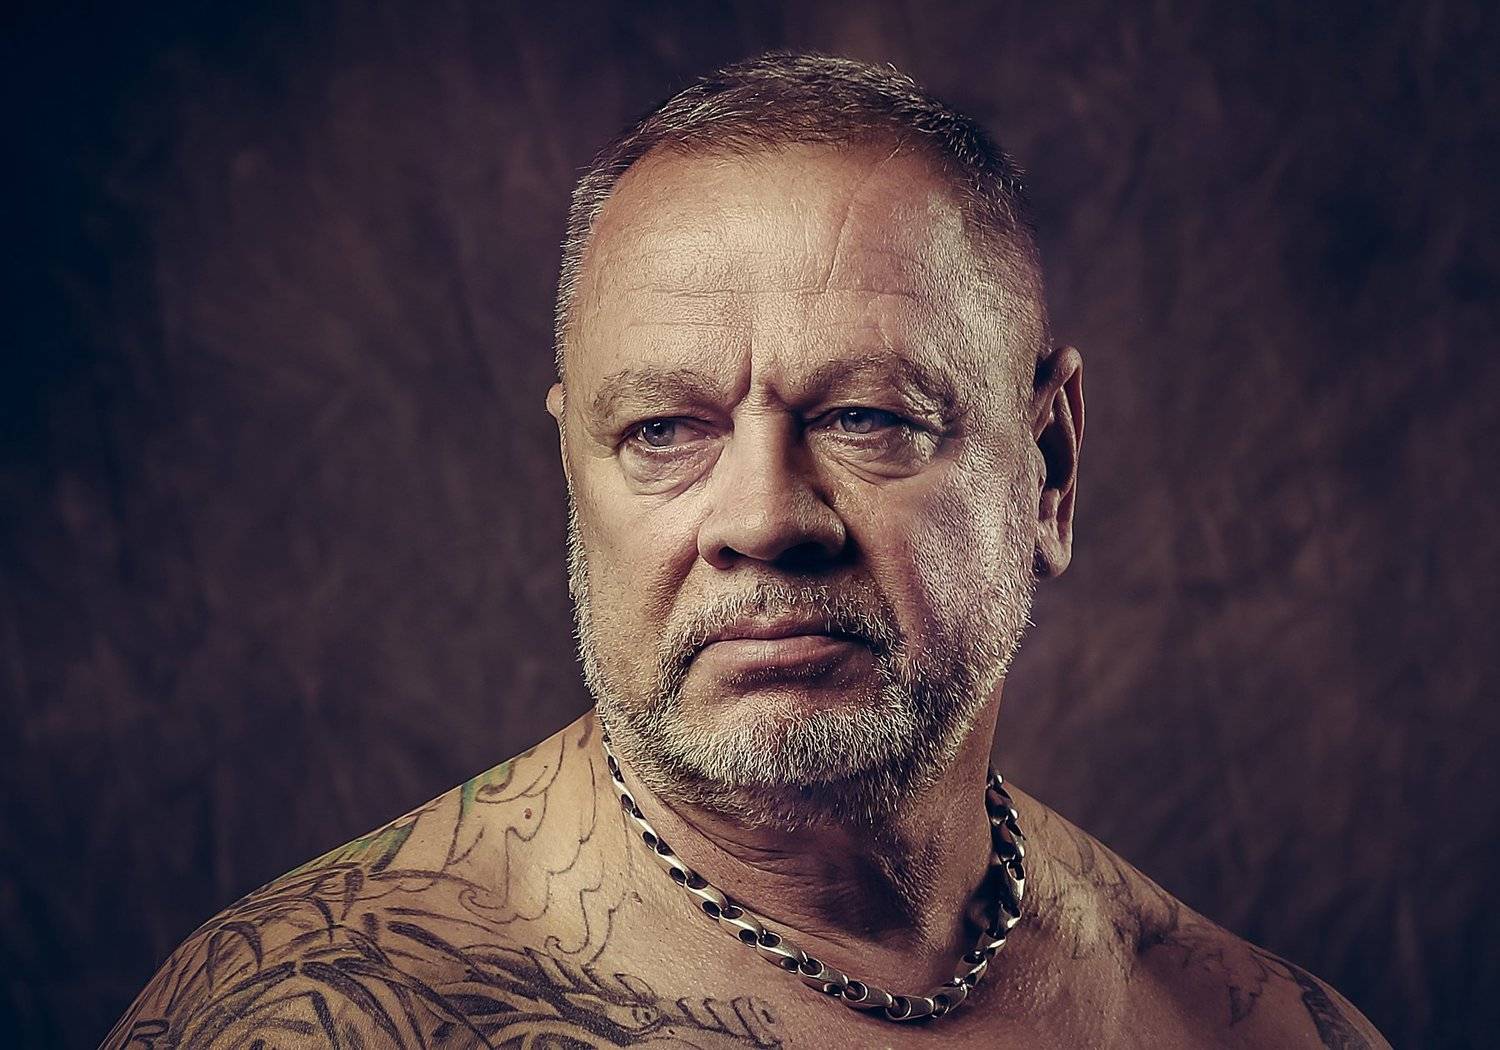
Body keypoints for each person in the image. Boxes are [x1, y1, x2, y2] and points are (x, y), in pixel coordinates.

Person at [107, 53, 1389, 1049]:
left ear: (1047, 469)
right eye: (664, 431)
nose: (764, 518)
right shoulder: (322, 1017)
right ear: (575, 474)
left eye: (868, 418)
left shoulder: (1253, 1026)